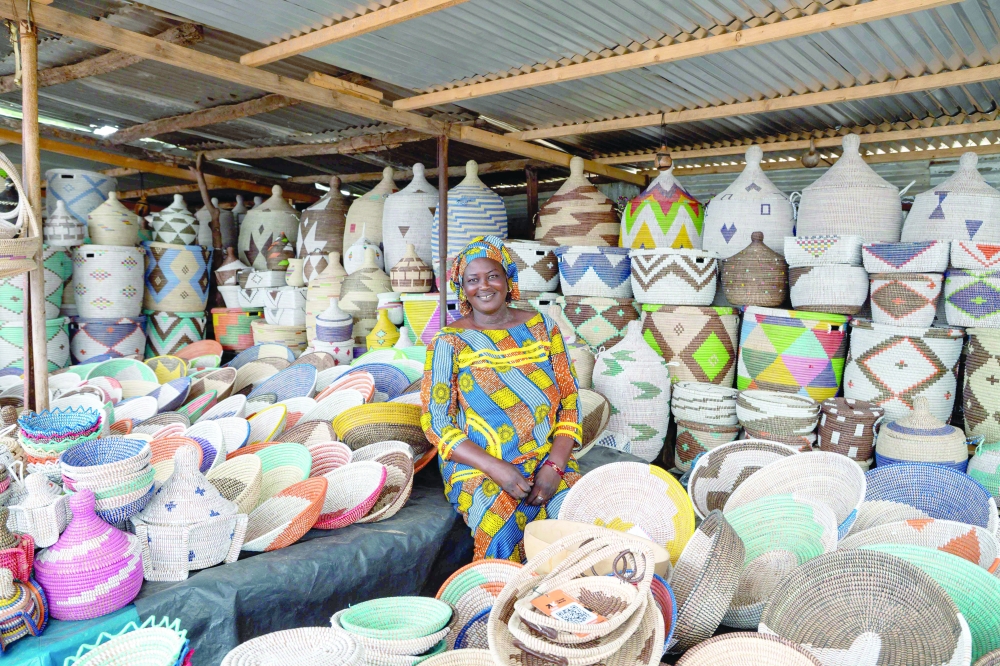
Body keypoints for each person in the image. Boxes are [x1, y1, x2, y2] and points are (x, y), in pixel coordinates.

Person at [421, 236, 582, 561]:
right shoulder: (449, 342)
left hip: (545, 457)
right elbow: (436, 422)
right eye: (473, 279)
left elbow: (570, 402)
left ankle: (568, 601)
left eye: (493, 275)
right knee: (500, 528)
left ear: (509, 280)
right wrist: (498, 469)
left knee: (578, 520)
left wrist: (554, 466)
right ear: (462, 288)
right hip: (478, 466)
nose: (484, 286)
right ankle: (504, 603)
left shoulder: (542, 327)